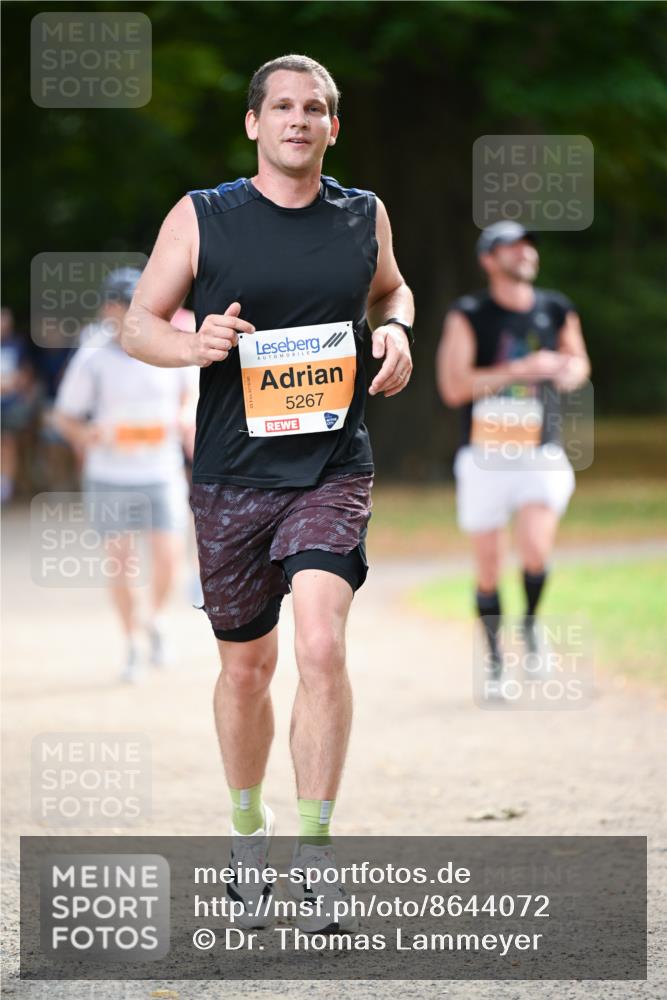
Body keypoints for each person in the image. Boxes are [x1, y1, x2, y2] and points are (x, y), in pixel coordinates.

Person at [121, 54, 414, 932]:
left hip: (330, 467)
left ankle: (317, 855)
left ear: (333, 126)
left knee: (320, 646)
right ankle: (248, 840)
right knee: (246, 668)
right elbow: (139, 324)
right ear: (254, 123)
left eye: (314, 107)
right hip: (230, 474)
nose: (298, 119)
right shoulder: (203, 216)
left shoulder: (363, 215)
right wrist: (194, 343)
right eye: (281, 106)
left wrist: (395, 327)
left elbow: (390, 288)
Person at [437, 221, 590, 684]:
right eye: (513, 247)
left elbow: (578, 361)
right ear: (489, 259)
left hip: (540, 452)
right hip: (485, 455)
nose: (525, 253)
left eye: (529, 246)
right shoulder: (469, 314)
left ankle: (529, 626)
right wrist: (523, 367)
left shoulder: (557, 308)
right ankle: (495, 658)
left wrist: (568, 372)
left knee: (535, 550)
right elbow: (454, 387)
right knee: (488, 566)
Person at [54, 268, 198, 682]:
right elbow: (64, 417)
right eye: (129, 305)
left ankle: (151, 620)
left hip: (161, 469)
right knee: (121, 563)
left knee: (169, 561)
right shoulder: (93, 357)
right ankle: (132, 642)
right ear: (110, 309)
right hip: (110, 474)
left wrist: (185, 416)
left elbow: (190, 393)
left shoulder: (169, 345)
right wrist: (87, 433)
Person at [1, 307, 38, 503]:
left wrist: (16, 385)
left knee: (8, 441)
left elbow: (26, 373)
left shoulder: (18, 344)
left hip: (11, 403)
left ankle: (5, 487)